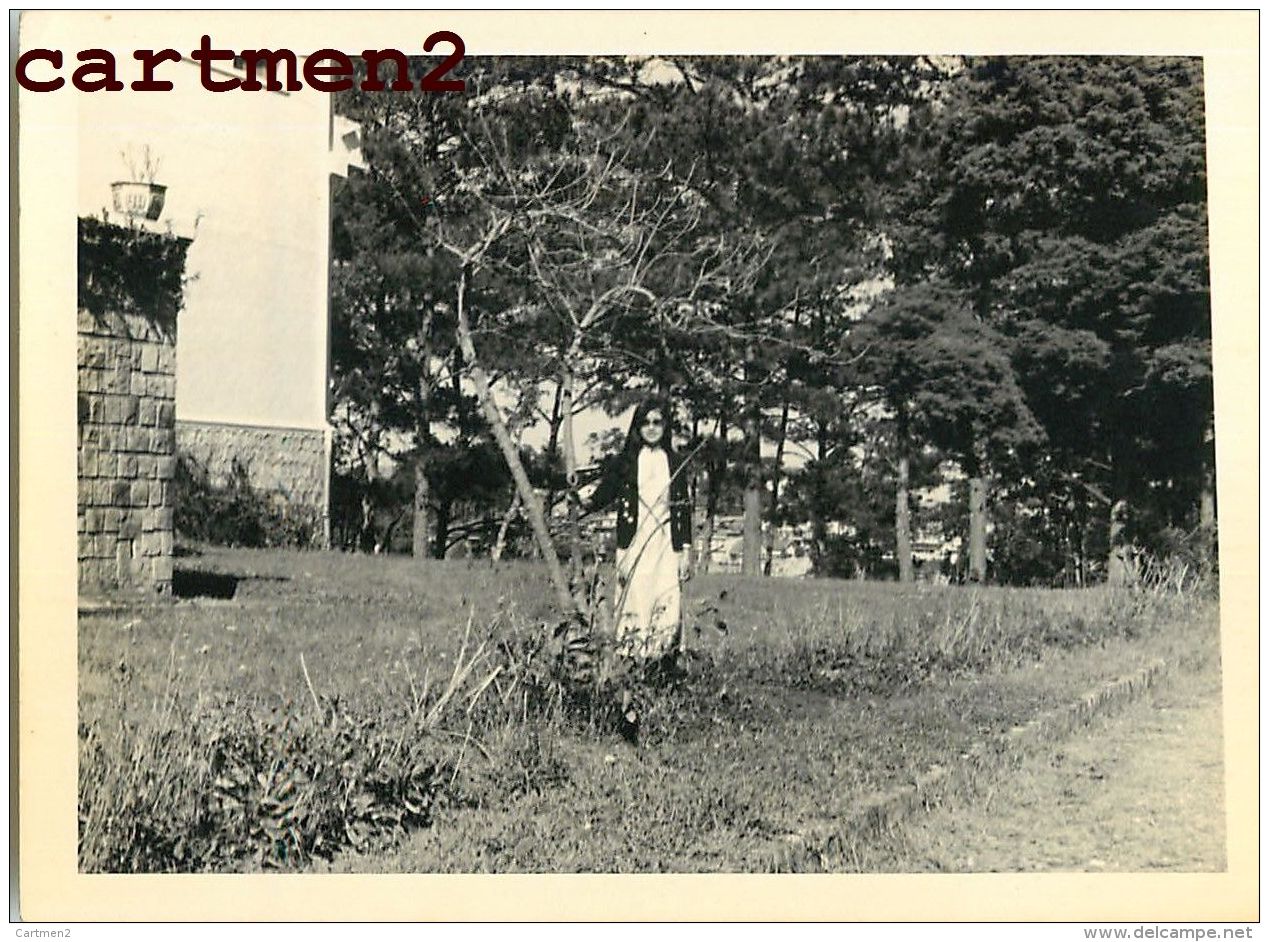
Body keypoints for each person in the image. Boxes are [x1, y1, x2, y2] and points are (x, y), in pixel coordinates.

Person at [587, 399, 692, 668]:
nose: (652, 428)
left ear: (666, 426)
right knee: (635, 593)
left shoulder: (675, 462)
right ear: (637, 426)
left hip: (665, 540)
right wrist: (583, 503)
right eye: (645, 422)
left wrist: (686, 552)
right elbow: (604, 492)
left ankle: (662, 662)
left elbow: (682, 508)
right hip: (634, 539)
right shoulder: (627, 461)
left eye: (657, 422)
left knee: (666, 596)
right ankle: (632, 661)